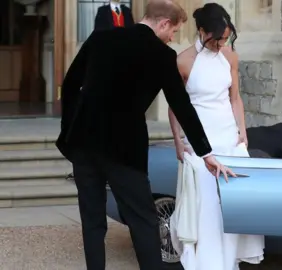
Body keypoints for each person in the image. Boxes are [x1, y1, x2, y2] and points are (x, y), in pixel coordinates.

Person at [55, 1, 235, 269]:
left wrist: (69, 131)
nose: (172, 37)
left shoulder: (100, 38)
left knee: (92, 220)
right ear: (163, 24)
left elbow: (70, 84)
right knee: (143, 220)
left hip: (84, 144)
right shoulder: (161, 55)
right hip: (124, 149)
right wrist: (205, 152)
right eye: (173, 31)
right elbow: (181, 106)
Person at [168, 3, 265, 270]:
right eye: (218, 38)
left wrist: (242, 132)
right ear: (202, 31)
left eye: (225, 38)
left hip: (227, 137)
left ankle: (229, 261)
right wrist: (178, 141)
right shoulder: (183, 60)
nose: (222, 43)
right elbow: (176, 106)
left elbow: (235, 98)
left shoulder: (230, 56)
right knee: (206, 204)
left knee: (231, 202)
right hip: (199, 139)